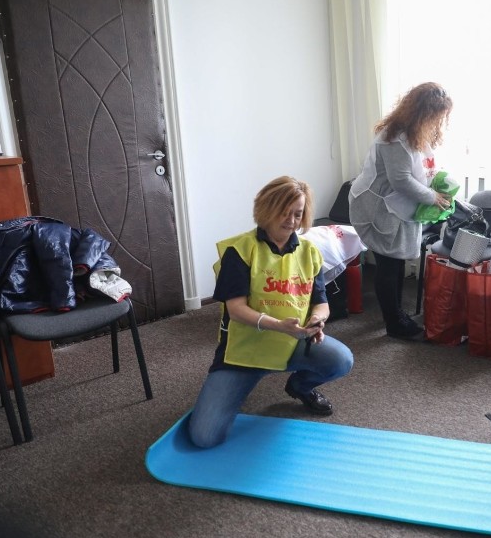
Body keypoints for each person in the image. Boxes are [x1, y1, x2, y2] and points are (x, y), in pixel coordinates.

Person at [188, 176, 354, 448]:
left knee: (340, 360)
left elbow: (321, 302)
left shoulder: (309, 252)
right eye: (283, 212)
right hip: (245, 352)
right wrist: (279, 325)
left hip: (292, 342)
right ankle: (244, 382)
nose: (290, 220)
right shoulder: (240, 250)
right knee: (205, 437)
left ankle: (299, 387)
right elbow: (236, 309)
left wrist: (317, 320)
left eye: (297, 214)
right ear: (266, 209)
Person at [349, 82, 454, 339]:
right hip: (376, 207)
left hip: (396, 206)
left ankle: (395, 314)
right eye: (435, 115)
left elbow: (420, 170)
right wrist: (432, 197)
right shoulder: (394, 139)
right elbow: (401, 180)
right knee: (388, 264)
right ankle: (394, 323)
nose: (438, 121)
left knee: (394, 263)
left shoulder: (415, 134)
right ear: (421, 113)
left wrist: (436, 188)